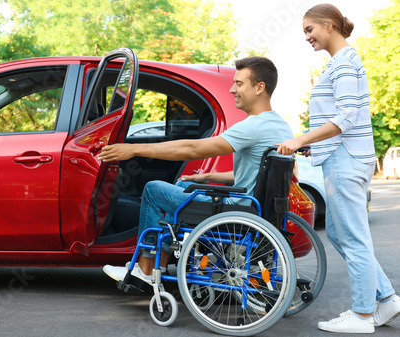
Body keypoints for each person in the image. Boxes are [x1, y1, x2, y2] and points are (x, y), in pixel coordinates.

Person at [100, 56, 293, 287]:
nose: (232, 89)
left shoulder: (252, 126)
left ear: (260, 87)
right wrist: (206, 177)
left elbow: (193, 149)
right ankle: (159, 264)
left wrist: (133, 150)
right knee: (183, 185)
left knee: (153, 190)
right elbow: (258, 175)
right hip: (255, 208)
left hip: (237, 211)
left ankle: (146, 269)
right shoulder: (280, 125)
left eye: (239, 84)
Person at [277, 3, 400, 334]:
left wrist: (302, 136)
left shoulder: (344, 63)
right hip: (340, 157)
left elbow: (346, 118)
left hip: (346, 159)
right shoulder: (339, 63)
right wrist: (308, 143)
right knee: (338, 232)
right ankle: (386, 299)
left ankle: (362, 315)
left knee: (352, 236)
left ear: (329, 25)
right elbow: (341, 119)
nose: (307, 37)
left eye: (309, 30)